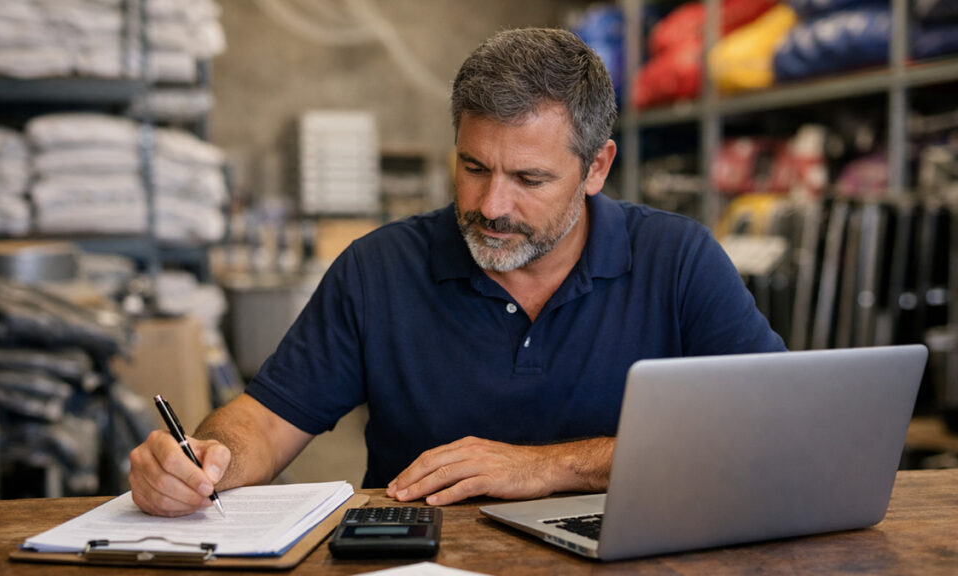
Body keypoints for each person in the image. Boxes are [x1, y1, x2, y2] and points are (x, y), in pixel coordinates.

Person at [129, 27, 786, 517]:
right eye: (474, 168)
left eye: (529, 178)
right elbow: (266, 421)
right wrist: (205, 459)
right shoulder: (379, 269)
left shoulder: (678, 259)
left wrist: (548, 468)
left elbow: (766, 424)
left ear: (596, 168)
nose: (491, 206)